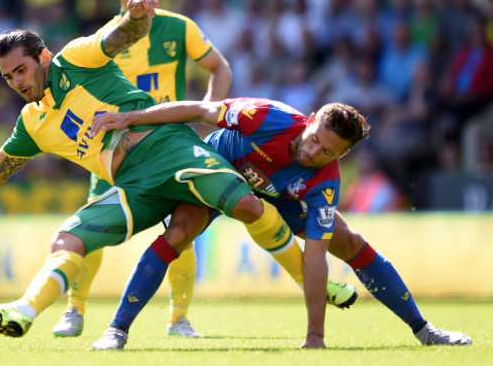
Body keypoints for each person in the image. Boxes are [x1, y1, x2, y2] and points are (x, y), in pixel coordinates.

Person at [0, 0, 305, 340]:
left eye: (21, 70)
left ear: (43, 57)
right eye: (8, 77)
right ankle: (24, 311)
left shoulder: (77, 59)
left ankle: (316, 285)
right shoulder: (32, 122)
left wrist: (139, 15)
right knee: (66, 239)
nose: (17, 83)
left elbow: (122, 35)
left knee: (247, 206)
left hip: (167, 147)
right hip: (132, 184)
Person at [88, 98, 473, 350]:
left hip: (278, 197)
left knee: (350, 241)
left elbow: (317, 258)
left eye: (326, 152)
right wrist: (130, 118)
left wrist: (315, 338)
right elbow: (199, 110)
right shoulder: (265, 116)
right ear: (309, 121)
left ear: (343, 154)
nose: (312, 152)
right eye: (313, 140)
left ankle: (424, 330)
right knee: (179, 234)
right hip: (220, 170)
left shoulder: (325, 183)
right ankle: (117, 330)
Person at [52, 0, 232, 339]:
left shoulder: (180, 28)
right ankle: (74, 310)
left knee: (180, 229)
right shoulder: (107, 38)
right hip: (114, 151)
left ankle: (178, 319)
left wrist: (208, 112)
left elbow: (221, 67)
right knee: (90, 227)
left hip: (169, 146)